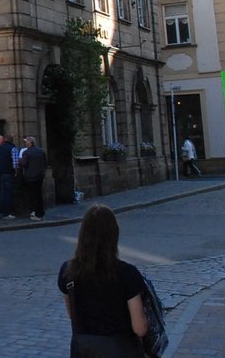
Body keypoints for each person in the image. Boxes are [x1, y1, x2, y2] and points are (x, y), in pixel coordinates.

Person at [58, 205, 148, 357]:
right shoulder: (127, 273)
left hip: (84, 350)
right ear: (114, 235)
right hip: (119, 348)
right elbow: (140, 328)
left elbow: (73, 314)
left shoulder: (68, 271)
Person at [19, 136, 48, 221]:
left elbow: (24, 164)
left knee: (33, 195)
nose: (25, 143)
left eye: (26, 142)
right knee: (39, 195)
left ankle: (36, 213)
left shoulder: (26, 153)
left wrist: (20, 161)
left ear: (29, 143)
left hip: (30, 177)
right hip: (40, 176)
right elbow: (45, 163)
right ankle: (41, 212)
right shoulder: (41, 151)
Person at [0, 135, 17, 219]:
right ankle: (10, 212)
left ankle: (3, 212)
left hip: (0, 174)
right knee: (9, 193)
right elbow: (15, 163)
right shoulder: (12, 148)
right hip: (9, 173)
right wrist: (16, 172)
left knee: (2, 193)